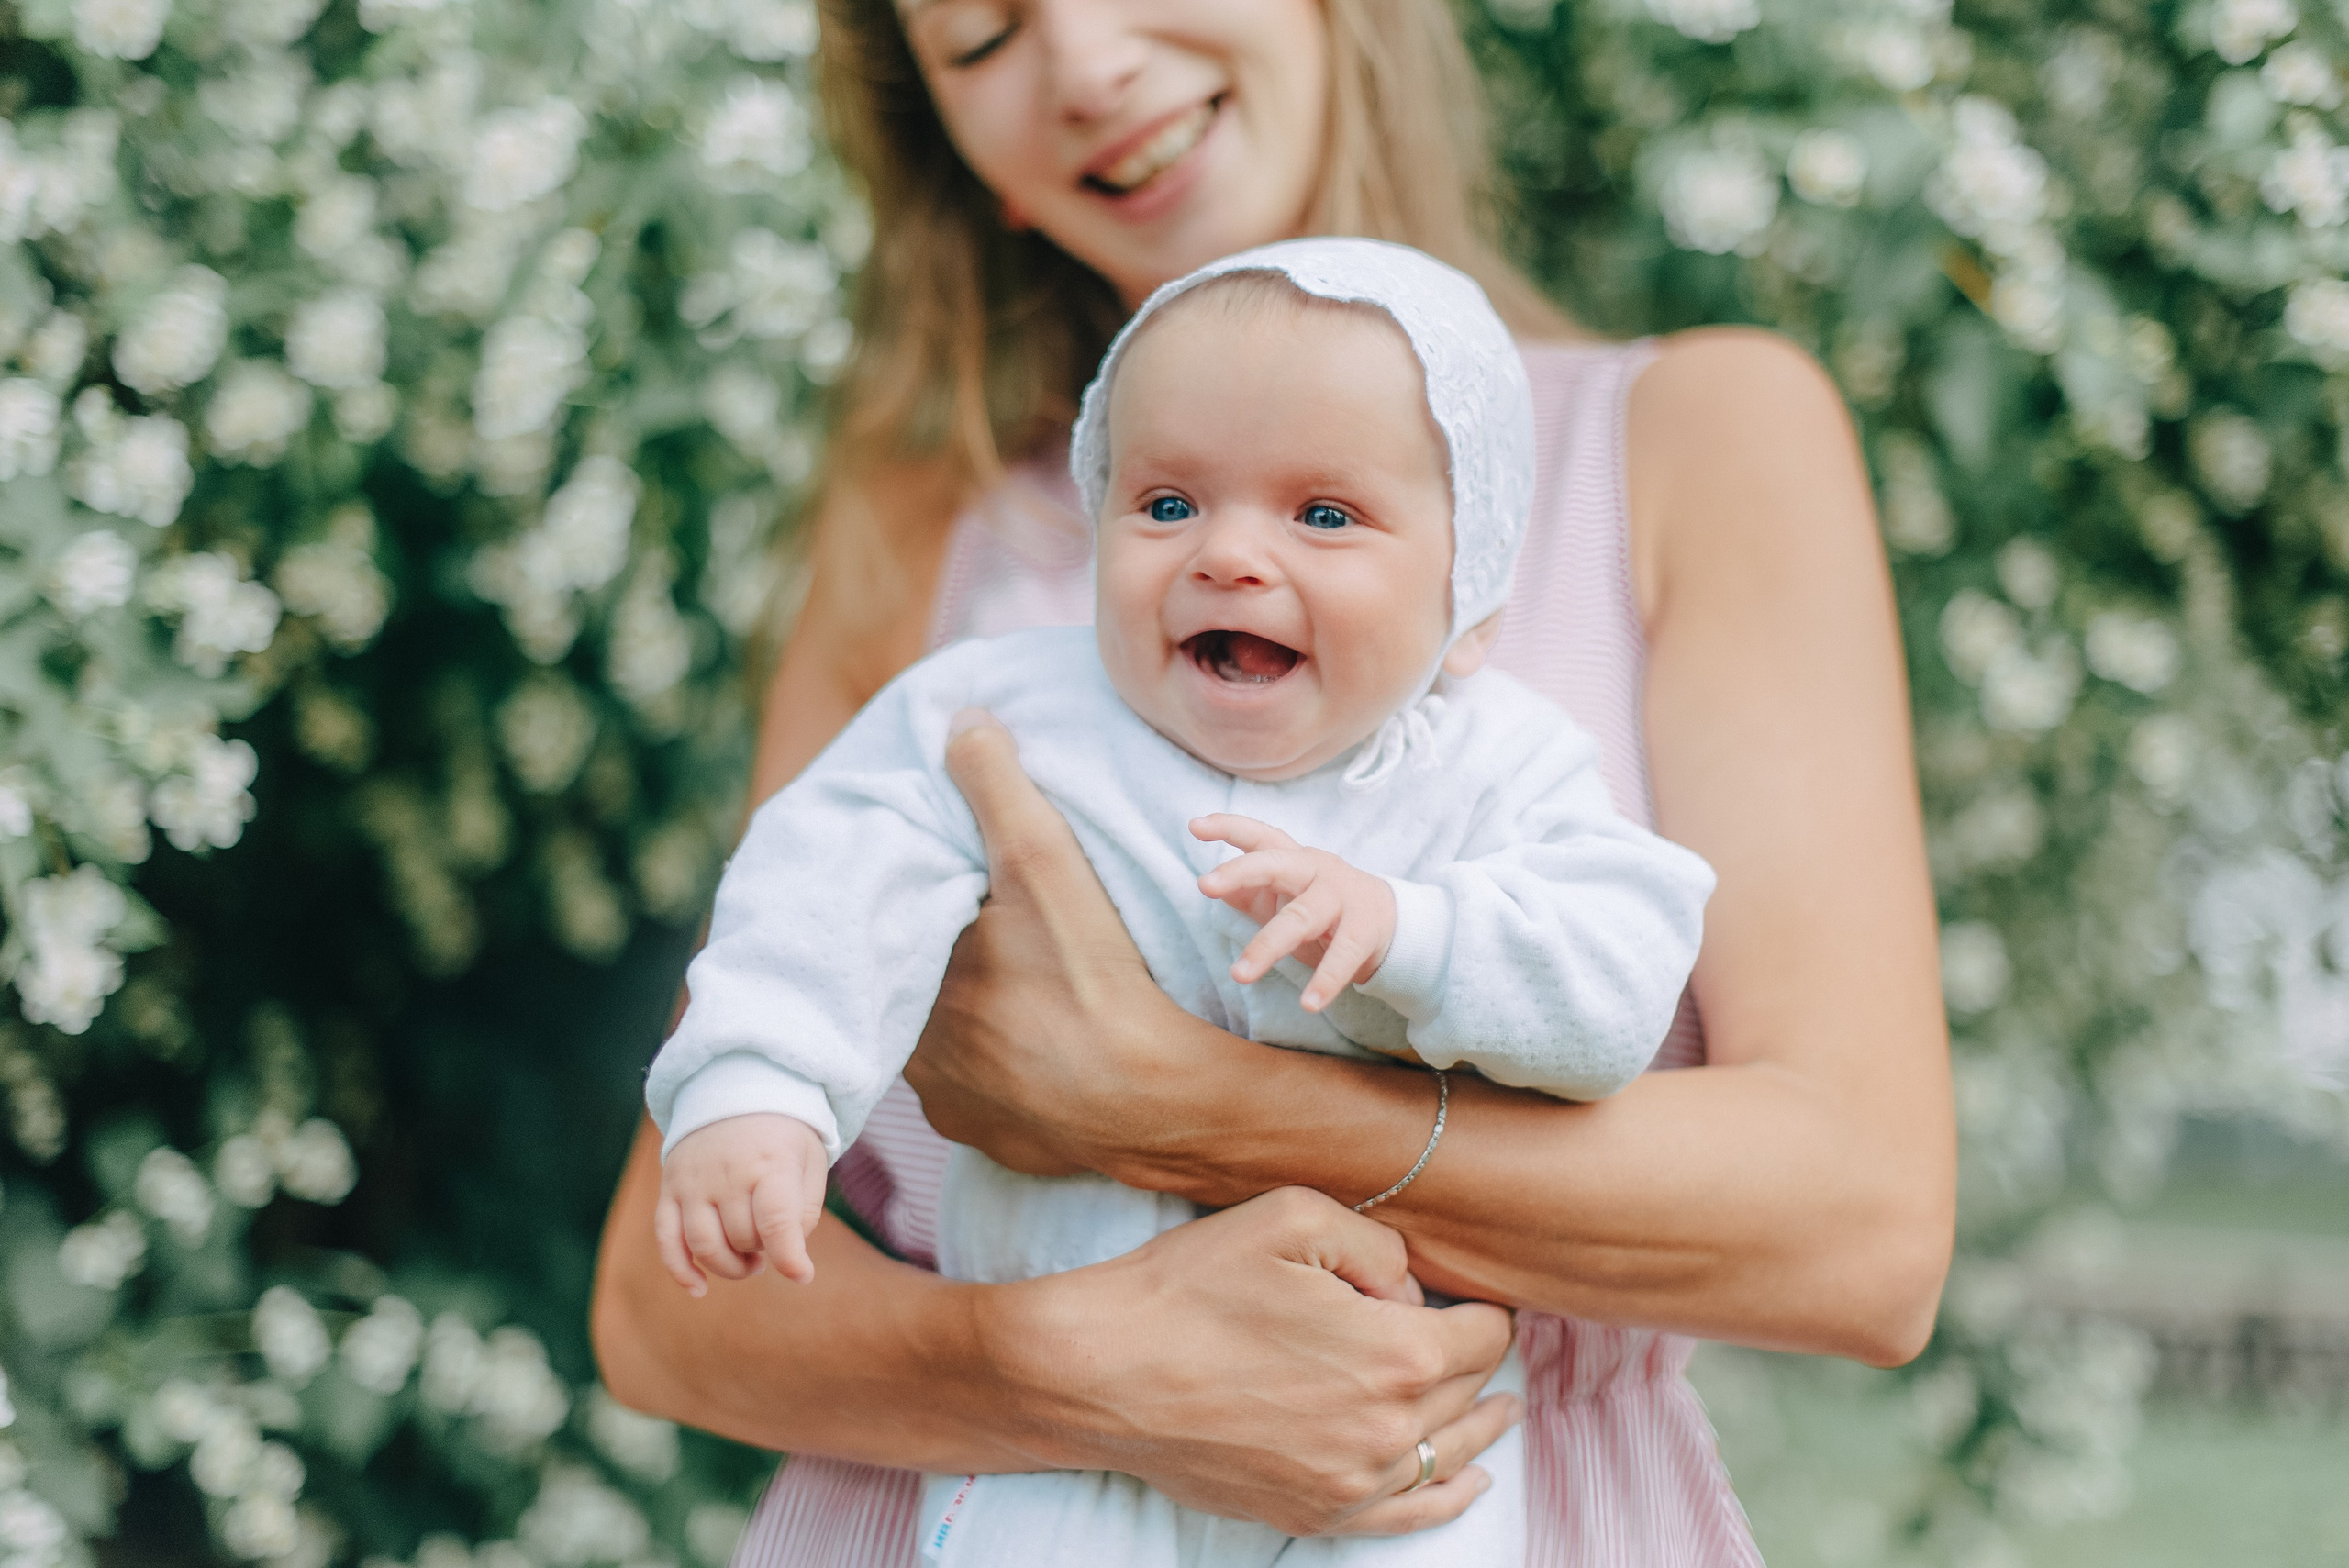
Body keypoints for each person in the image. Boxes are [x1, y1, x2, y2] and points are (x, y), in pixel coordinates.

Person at [590, 2, 1956, 1563]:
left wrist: (1167, 1100)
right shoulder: (928, 538)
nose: (1087, 65)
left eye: (1327, 515)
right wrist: (1072, 1370)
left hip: (1492, 1505)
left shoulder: (1692, 440)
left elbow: (1865, 1237)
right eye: (981, 36)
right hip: (973, 1515)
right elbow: (664, 1301)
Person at [644, 239, 1716, 1568]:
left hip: (1386, 1402)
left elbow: (1616, 972)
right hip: (1069, 1376)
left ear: (1471, 599)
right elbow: (829, 867)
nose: (1230, 554)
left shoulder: (1500, 769)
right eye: (1165, 504)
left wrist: (1417, 931)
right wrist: (760, 1085)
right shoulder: (1013, 712)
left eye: (1324, 516)